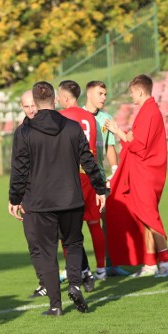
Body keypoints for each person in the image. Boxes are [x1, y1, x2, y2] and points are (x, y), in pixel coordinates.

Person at [8, 81, 107, 316]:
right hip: (70, 198)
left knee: (46, 252)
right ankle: (74, 283)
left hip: (39, 203)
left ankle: (55, 304)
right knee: (73, 244)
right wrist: (100, 189)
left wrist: (15, 198)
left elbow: (19, 169)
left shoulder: (24, 132)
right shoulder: (72, 128)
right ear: (54, 100)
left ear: (35, 102)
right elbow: (89, 160)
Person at [104, 74, 168, 278]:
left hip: (146, 172)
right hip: (142, 171)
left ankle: (165, 263)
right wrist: (125, 135)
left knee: (150, 217)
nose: (131, 95)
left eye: (132, 91)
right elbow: (135, 139)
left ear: (140, 91)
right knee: (144, 217)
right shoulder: (147, 110)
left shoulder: (150, 111)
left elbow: (138, 146)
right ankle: (150, 263)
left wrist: (117, 131)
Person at [58, 80, 108, 280]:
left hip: (71, 177)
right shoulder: (90, 118)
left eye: (59, 97)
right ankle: (101, 269)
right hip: (90, 175)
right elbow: (94, 150)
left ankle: (74, 269)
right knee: (95, 224)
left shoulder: (61, 117)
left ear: (66, 98)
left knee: (68, 227)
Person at [84, 80, 131, 277]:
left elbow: (110, 147)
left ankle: (110, 264)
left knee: (107, 221)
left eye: (105, 94)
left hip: (101, 180)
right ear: (89, 95)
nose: (104, 97)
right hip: (81, 179)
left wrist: (114, 169)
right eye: (100, 93)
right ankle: (78, 268)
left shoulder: (106, 118)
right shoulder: (78, 117)